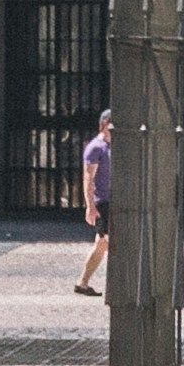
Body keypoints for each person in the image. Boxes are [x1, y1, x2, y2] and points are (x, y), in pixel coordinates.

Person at [72, 111, 115, 299]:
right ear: (105, 124)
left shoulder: (109, 146)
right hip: (103, 202)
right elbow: (88, 178)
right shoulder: (95, 147)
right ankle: (119, 285)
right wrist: (90, 206)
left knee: (102, 244)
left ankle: (82, 282)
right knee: (112, 242)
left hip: (110, 201)